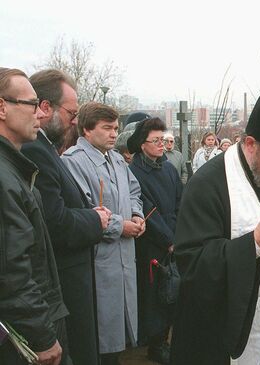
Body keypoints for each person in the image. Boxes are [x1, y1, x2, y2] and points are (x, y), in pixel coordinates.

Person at [171, 92, 260, 365]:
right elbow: (190, 264)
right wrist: (254, 243)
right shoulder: (207, 184)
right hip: (218, 334)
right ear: (251, 144)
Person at [21, 69, 109, 365]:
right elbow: (54, 223)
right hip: (65, 282)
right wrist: (95, 220)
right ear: (45, 108)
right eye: (71, 112)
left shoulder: (44, 148)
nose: (75, 120)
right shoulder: (36, 150)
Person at [62, 102, 144, 365]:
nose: (113, 134)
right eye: (107, 128)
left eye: (115, 128)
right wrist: (122, 226)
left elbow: (134, 191)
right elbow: (85, 211)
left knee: (118, 339)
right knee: (98, 338)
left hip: (123, 261)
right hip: (97, 262)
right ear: (86, 129)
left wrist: (137, 215)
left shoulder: (118, 159)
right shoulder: (73, 161)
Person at [0, 67, 68, 365]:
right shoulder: (4, 177)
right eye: (31, 103)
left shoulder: (13, 169)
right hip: (25, 337)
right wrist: (41, 335)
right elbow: (12, 269)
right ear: (2, 107)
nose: (39, 114)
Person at [127, 118, 183, 364]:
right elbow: (147, 209)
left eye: (164, 139)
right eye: (156, 140)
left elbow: (182, 200)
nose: (162, 144)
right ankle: (155, 343)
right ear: (142, 144)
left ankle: (168, 337)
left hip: (174, 236)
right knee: (154, 295)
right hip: (152, 241)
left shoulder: (169, 168)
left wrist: (181, 233)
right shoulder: (134, 172)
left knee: (174, 290)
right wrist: (168, 239)